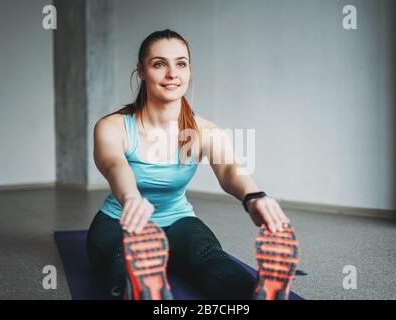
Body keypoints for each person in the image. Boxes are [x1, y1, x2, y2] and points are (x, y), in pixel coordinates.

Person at [86, 29, 299, 300]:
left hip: (178, 220)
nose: (172, 73)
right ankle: (141, 288)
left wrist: (254, 196)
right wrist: (130, 198)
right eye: (159, 64)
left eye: (181, 64)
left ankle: (259, 294)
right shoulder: (113, 126)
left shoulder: (204, 130)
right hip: (118, 222)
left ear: (189, 70)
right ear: (141, 71)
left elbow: (229, 169)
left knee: (210, 258)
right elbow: (115, 165)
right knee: (122, 260)